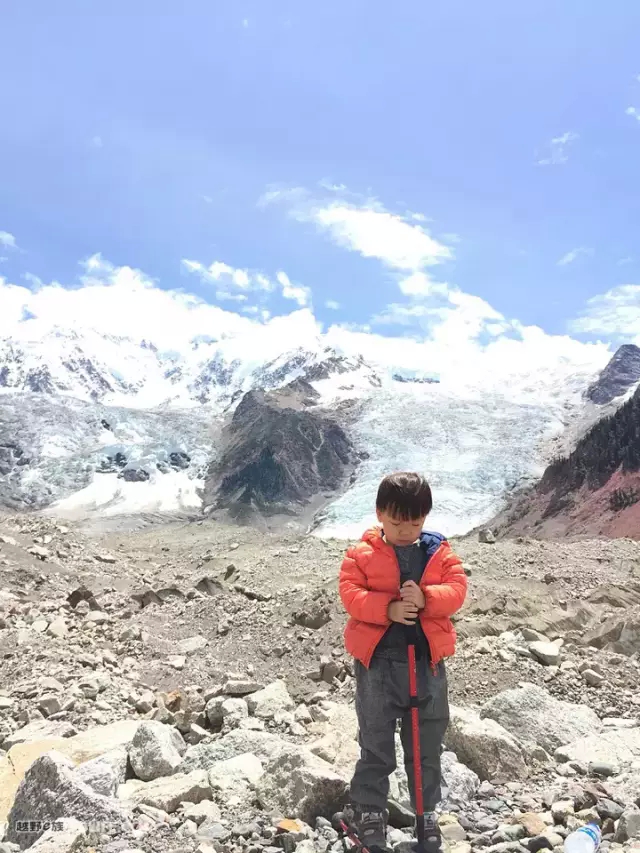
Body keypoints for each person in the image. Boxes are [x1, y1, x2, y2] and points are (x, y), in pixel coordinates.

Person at [339, 472, 468, 853]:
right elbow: (350, 593)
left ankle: (426, 818)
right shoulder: (360, 554)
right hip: (377, 664)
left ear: (425, 518)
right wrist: (388, 608)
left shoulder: (438, 553)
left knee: (425, 742)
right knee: (376, 740)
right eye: (396, 522)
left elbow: (458, 589)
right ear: (380, 514)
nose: (405, 530)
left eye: (414, 522)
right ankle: (370, 813)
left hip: (425, 665)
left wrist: (427, 597)